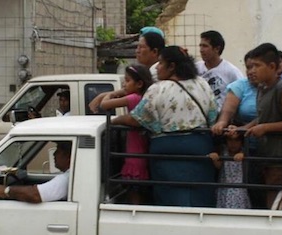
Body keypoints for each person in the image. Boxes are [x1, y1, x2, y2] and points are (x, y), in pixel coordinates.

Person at [112, 45, 218, 207]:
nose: (158, 68)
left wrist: (116, 120)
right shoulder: (202, 84)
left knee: (170, 200)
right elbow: (213, 116)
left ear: (172, 66)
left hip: (168, 152)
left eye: (161, 63)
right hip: (200, 149)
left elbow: (138, 119)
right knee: (199, 197)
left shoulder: (158, 89)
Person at [242, 43, 282, 209]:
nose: (252, 70)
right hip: (265, 158)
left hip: (280, 159)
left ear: (272, 66)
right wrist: (244, 128)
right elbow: (262, 119)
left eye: (257, 66)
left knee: (276, 209)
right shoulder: (262, 88)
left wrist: (266, 128)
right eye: (251, 66)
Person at [210, 51, 265, 208]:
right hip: (243, 145)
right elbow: (227, 111)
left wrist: (244, 128)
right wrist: (221, 124)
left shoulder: (276, 87)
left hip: (265, 147)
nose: (251, 71)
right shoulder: (238, 86)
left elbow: (267, 115)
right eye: (248, 67)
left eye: (256, 66)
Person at [100, 64, 153, 204]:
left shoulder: (134, 98)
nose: (124, 84)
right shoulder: (142, 98)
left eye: (128, 81)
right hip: (141, 152)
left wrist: (111, 94)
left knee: (134, 197)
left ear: (139, 84)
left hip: (134, 156)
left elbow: (105, 105)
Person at [88, 29, 165, 113]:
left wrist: (106, 95)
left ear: (154, 51)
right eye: (137, 47)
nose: (137, 51)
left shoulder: (156, 73)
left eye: (141, 47)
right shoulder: (151, 71)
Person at [0, 141, 72, 203]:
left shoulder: (66, 179)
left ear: (68, 157)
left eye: (58, 151)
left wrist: (5, 191)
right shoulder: (70, 176)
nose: (54, 153)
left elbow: (36, 195)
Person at [195, 30, 245, 110]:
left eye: (205, 46)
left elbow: (242, 93)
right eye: (200, 46)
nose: (201, 50)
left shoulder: (231, 71)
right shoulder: (195, 68)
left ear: (217, 49)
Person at [209, 128, 250, 209]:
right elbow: (219, 166)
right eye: (230, 140)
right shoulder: (223, 152)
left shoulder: (245, 152)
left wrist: (243, 156)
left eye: (236, 140)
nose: (233, 143)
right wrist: (215, 158)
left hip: (239, 189)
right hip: (224, 188)